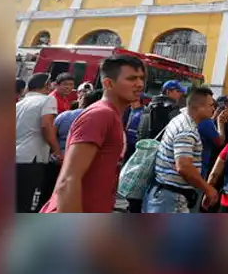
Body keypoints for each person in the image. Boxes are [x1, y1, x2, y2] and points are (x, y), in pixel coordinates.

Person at [41, 55, 145, 213]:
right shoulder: (100, 114)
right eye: (132, 79)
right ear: (108, 83)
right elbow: (68, 180)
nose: (139, 84)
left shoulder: (113, 115)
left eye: (141, 78)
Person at [143, 86, 219, 213]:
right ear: (199, 107)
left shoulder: (180, 119)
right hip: (171, 198)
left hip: (164, 195)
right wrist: (208, 189)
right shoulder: (186, 130)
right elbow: (184, 167)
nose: (214, 108)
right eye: (211, 105)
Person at [15, 73, 61, 212]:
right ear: (47, 85)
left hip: (17, 157)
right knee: (30, 205)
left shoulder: (20, 103)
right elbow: (46, 125)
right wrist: (57, 151)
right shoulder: (47, 100)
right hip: (33, 159)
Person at [54, 89, 103, 154]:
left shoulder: (64, 115)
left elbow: (52, 133)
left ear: (82, 101)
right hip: (83, 156)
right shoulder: (99, 120)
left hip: (59, 154)